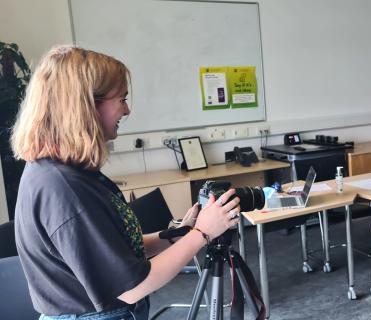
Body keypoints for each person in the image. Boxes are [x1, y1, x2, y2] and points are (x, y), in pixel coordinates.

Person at [11, 45, 242, 319]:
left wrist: (179, 233)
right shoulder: (63, 189)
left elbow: (112, 251)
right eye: (121, 99)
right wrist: (201, 234)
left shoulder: (64, 171)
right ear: (85, 105)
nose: (127, 109)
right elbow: (132, 286)